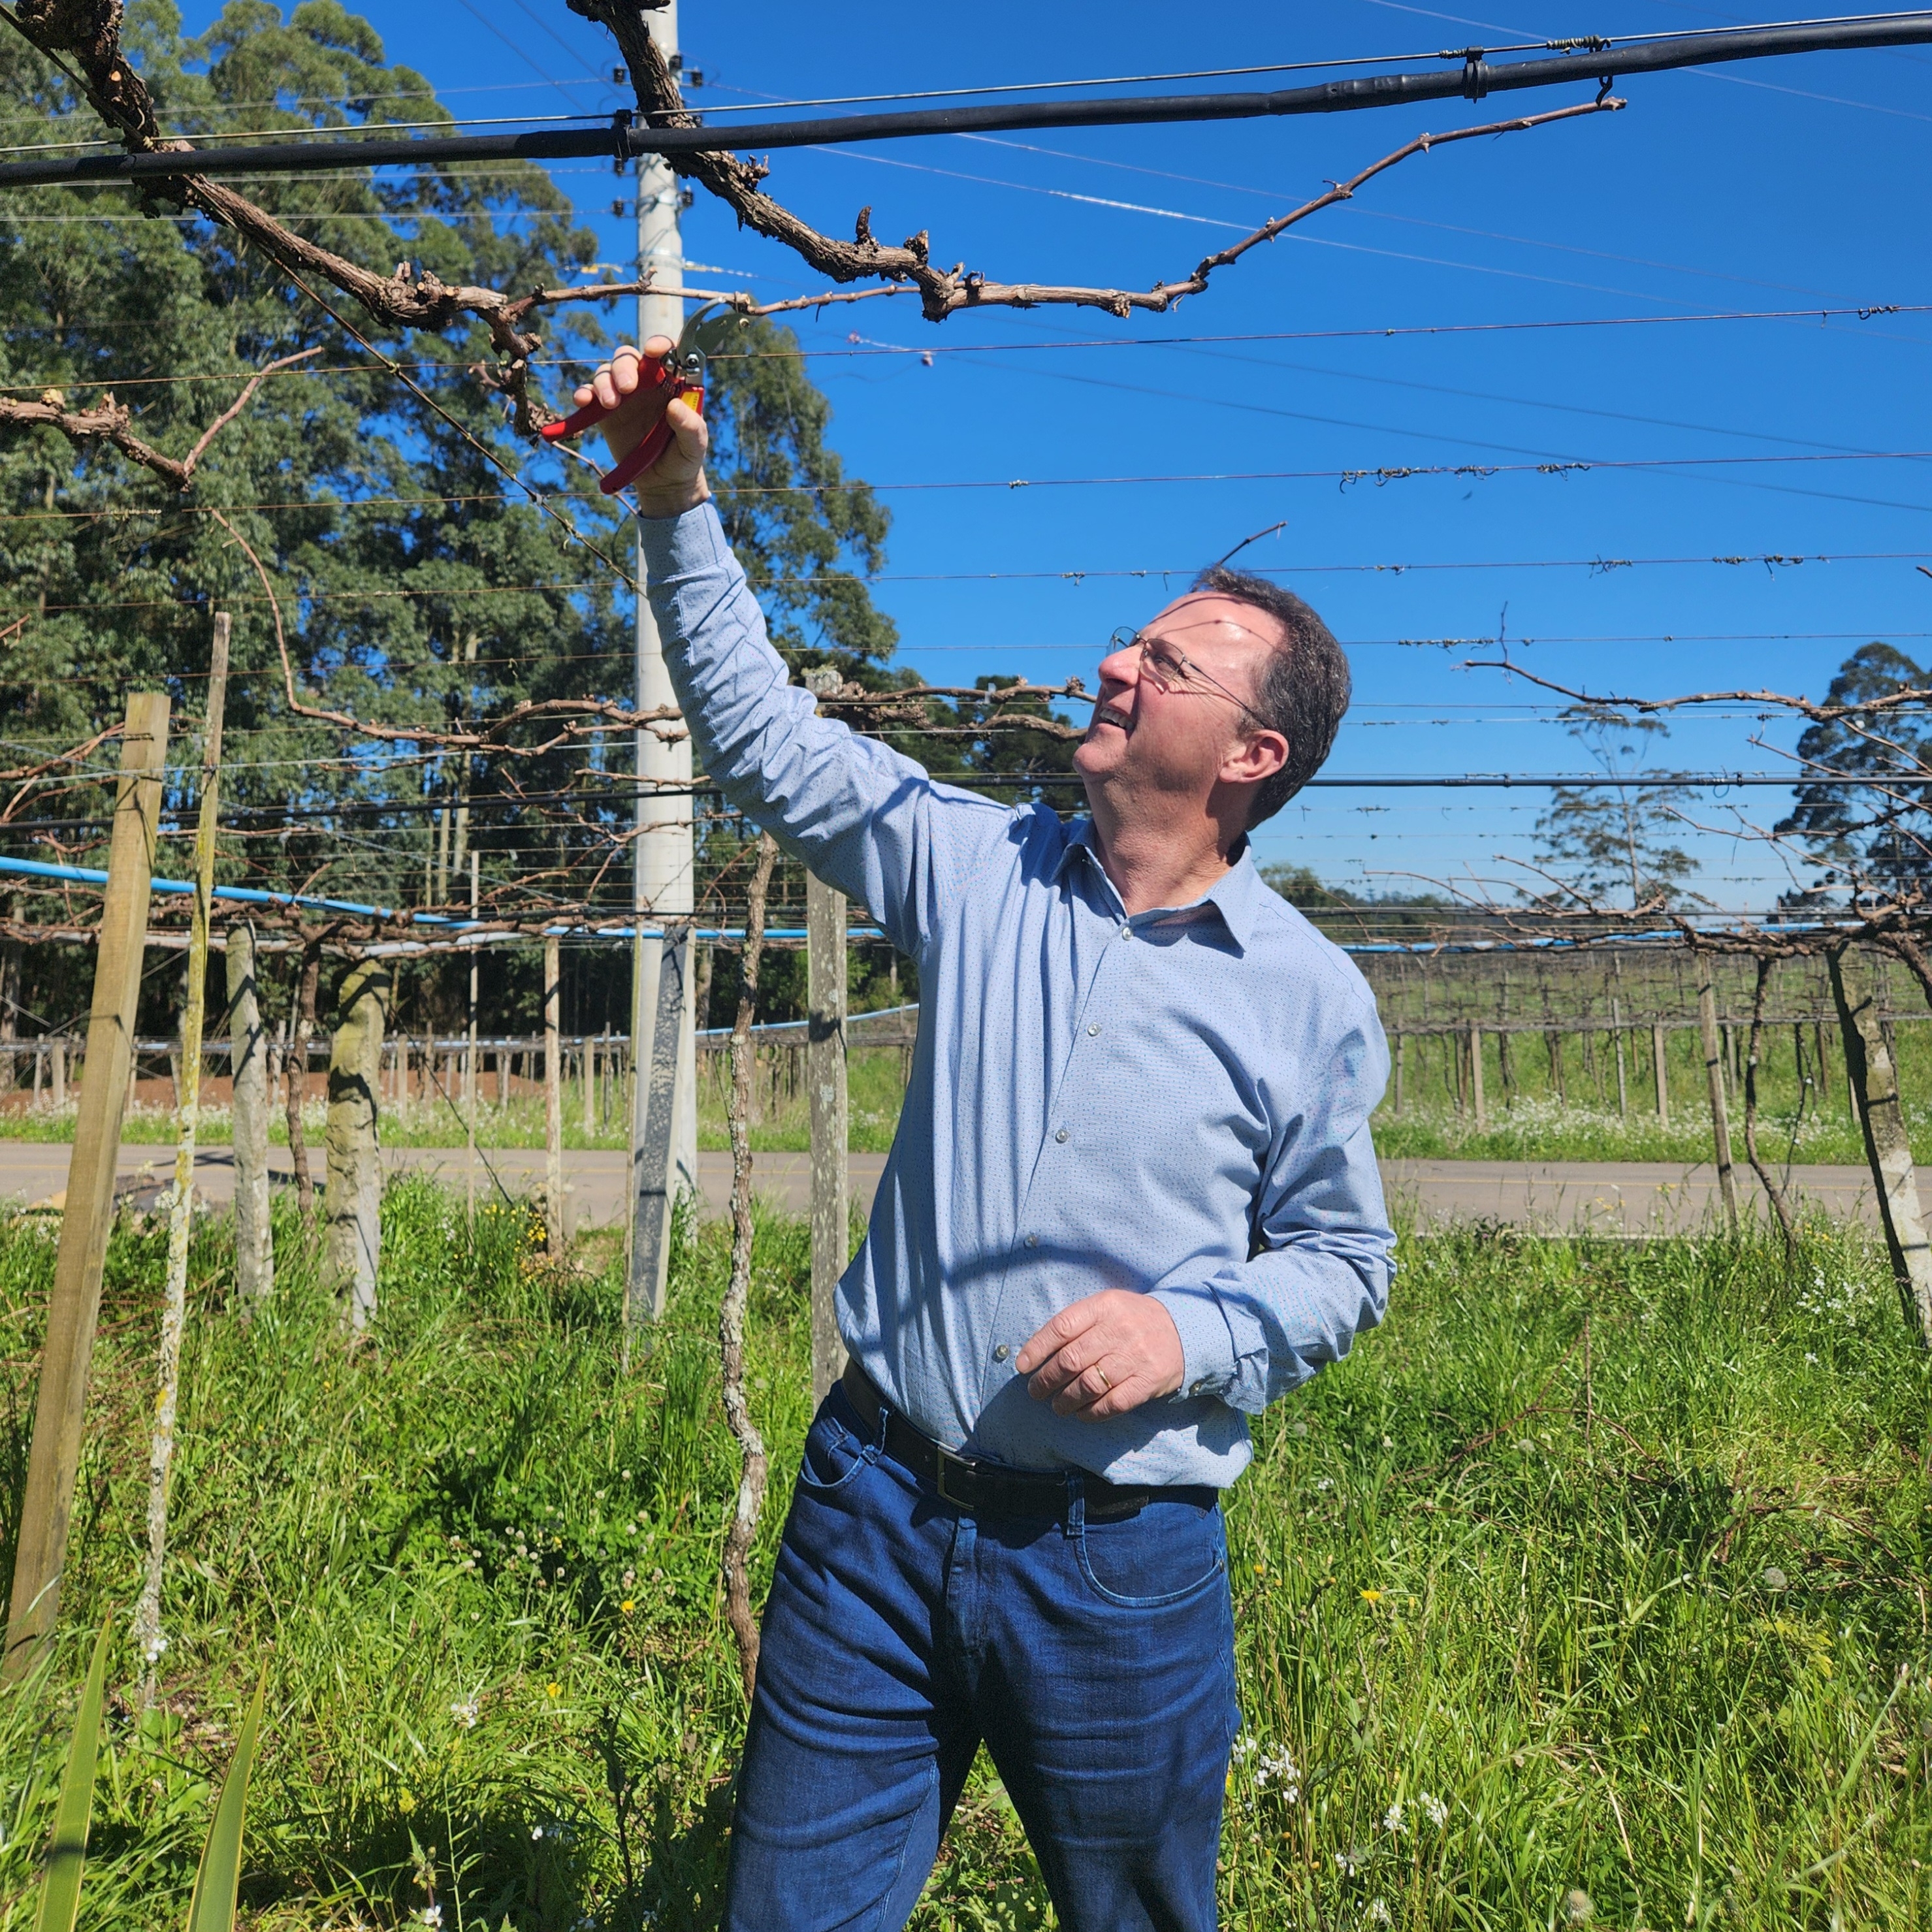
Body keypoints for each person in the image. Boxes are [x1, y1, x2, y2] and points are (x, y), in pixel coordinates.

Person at [579, 341, 1396, 1932]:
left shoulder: (1310, 995)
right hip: (871, 1512)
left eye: (1168, 662)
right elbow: (767, 741)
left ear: (1251, 758)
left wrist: (1191, 1330)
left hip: (1117, 1562)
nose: (1115, 664)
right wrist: (678, 497)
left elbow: (1346, 1263)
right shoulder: (979, 867)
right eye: (1130, 641)